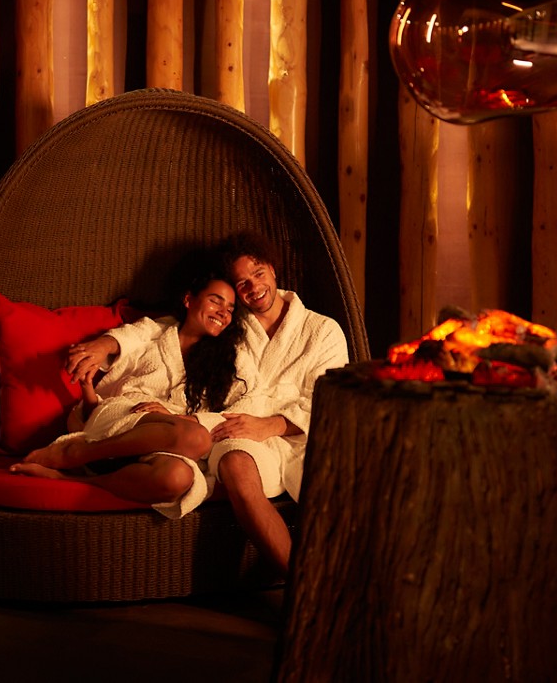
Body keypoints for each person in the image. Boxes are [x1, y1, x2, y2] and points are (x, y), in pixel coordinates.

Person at [69, 231, 349, 577]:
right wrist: (107, 343)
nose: (253, 288)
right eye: (241, 283)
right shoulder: (231, 325)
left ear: (274, 270)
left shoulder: (323, 331)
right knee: (234, 463)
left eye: (259, 274)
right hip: (233, 429)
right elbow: (163, 330)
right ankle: (306, 588)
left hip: (297, 435)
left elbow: (330, 400)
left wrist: (270, 425)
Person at [11, 262, 263, 520]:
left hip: (167, 442)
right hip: (124, 416)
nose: (223, 312)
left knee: (177, 479)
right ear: (189, 299)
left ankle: (70, 474)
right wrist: (101, 346)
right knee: (197, 438)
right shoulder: (156, 332)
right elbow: (128, 337)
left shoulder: (229, 361)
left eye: (230, 309)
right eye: (215, 301)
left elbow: (249, 404)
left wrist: (179, 420)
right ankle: (76, 453)